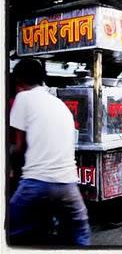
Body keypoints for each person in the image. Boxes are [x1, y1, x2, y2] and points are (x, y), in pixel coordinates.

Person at [9, 58, 90, 246]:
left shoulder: (23, 98)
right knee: (79, 232)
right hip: (68, 184)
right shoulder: (59, 104)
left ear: (19, 80)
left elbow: (19, 147)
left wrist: (12, 167)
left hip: (36, 183)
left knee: (10, 229)